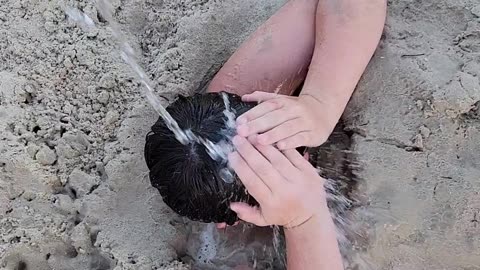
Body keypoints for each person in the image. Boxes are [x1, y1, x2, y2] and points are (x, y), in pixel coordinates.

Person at [207, 0, 387, 269]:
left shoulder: (227, 100)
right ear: (302, 154)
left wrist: (319, 103)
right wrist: (305, 219)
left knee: (222, 101)